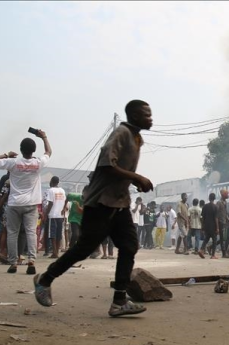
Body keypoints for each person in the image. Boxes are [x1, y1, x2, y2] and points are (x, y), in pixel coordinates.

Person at [33, 99, 154, 317]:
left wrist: (132, 181)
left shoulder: (136, 138)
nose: (150, 118)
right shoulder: (122, 133)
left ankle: (119, 301)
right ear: (134, 116)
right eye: (146, 114)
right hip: (100, 203)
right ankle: (45, 279)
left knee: (129, 246)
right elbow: (107, 165)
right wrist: (137, 177)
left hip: (120, 203)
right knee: (84, 248)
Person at [0, 129, 52, 274]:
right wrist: (44, 137)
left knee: (12, 233)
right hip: (31, 204)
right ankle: (31, 261)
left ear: (21, 150)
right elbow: (48, 152)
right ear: (34, 150)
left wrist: (7, 155)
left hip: (14, 203)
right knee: (31, 232)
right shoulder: (38, 163)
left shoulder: (13, 162)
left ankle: (13, 263)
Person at [43, 176, 66, 258]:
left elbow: (50, 203)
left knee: (52, 234)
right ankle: (57, 252)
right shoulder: (62, 191)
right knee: (58, 234)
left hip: (52, 215)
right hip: (60, 215)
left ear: (51, 181)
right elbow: (64, 201)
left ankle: (55, 253)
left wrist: (46, 214)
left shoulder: (51, 190)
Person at [201, 192, 219, 259]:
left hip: (206, 226)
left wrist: (202, 226)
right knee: (214, 240)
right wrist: (217, 228)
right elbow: (216, 218)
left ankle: (201, 249)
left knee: (206, 238)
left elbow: (203, 217)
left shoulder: (205, 206)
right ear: (214, 198)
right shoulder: (215, 207)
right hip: (213, 226)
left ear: (209, 198)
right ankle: (213, 255)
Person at [216, 190, 229, 258]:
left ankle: (210, 247)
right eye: (227, 194)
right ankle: (224, 254)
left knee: (224, 238)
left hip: (224, 222)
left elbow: (225, 214)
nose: (228, 195)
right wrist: (217, 226)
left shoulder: (225, 202)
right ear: (223, 195)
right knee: (222, 238)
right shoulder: (219, 203)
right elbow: (216, 214)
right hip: (220, 222)